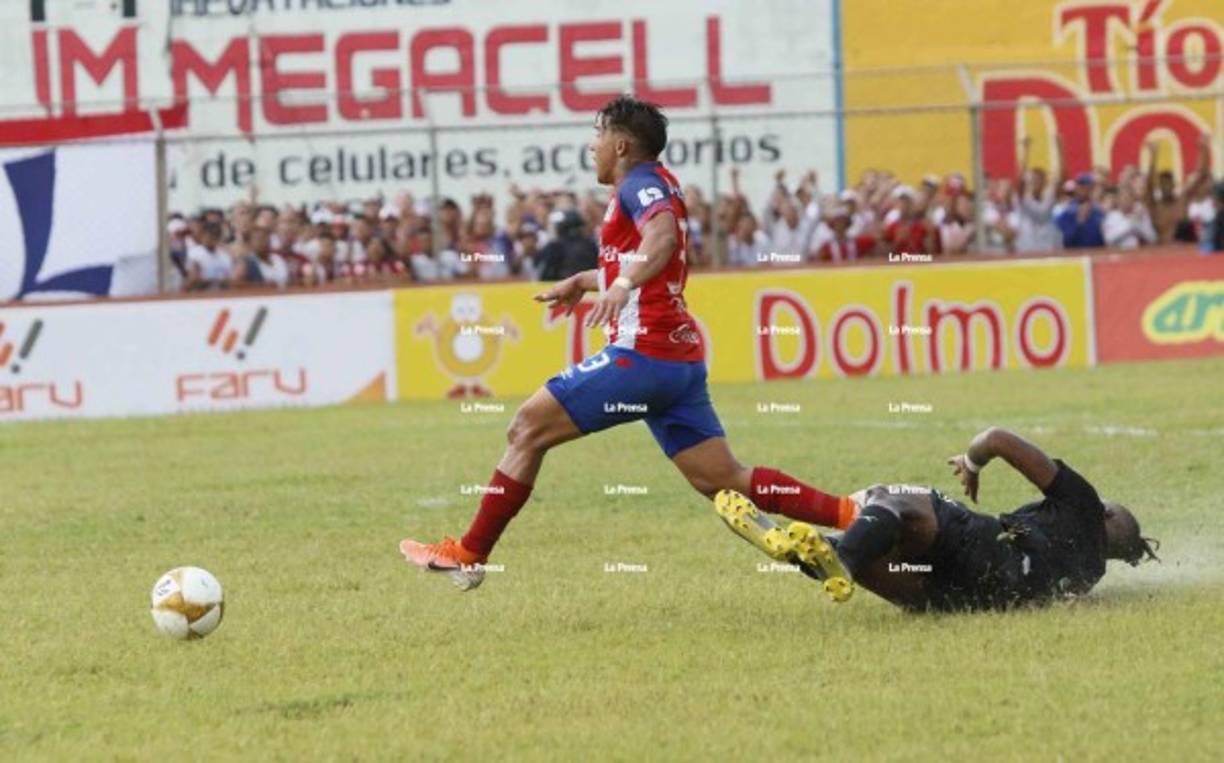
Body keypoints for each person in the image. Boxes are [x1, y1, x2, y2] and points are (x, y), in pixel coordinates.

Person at [399, 95, 859, 590]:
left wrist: (620, 286)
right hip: (678, 363)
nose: (591, 146)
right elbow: (649, 256)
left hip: (642, 357)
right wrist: (587, 279)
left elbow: (661, 239)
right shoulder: (659, 182)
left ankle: (469, 554)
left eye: (598, 136)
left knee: (527, 428)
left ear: (620, 145)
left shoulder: (639, 185)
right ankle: (856, 517)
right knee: (724, 478)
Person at [715, 427, 1158, 612]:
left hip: (988, 549)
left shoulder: (1084, 505)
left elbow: (998, 439)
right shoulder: (1090, 573)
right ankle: (825, 552)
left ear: (1104, 512)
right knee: (871, 555)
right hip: (961, 600)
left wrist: (972, 462)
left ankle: (839, 556)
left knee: (898, 500)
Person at [1056, 174, 1105, 248]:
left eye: (1089, 187)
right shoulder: (1068, 211)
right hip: (1075, 252)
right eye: (1082, 187)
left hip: (1096, 252)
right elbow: (1066, 240)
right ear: (1077, 188)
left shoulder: (1098, 210)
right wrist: (1079, 221)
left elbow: (1102, 239)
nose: (1085, 190)